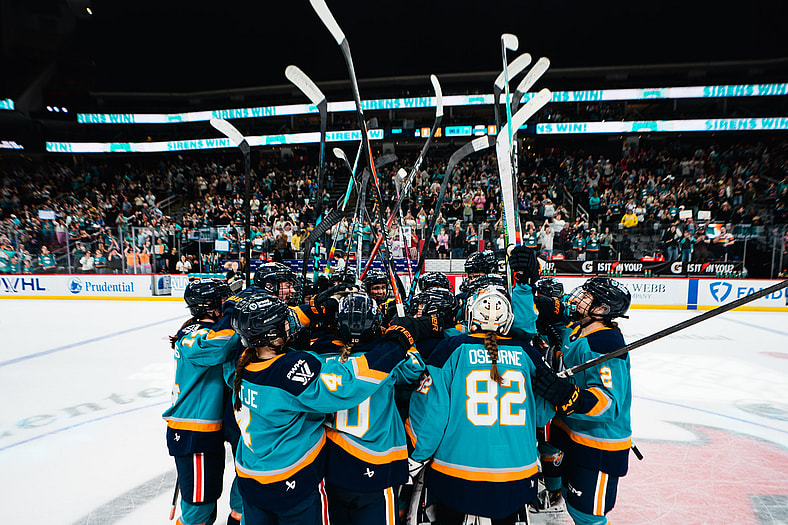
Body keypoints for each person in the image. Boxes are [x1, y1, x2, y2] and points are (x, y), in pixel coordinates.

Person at [229, 293, 434, 525]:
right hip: (292, 480)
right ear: (270, 335)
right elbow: (347, 382)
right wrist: (396, 344)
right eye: (283, 323)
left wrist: (312, 310)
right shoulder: (290, 369)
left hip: (251, 477)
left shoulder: (241, 362)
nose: (290, 325)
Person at [407, 284, 555, 523]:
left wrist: (417, 456)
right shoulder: (528, 354)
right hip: (517, 473)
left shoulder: (450, 349)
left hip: (456, 471)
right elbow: (542, 415)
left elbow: (432, 414)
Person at [529, 276, 633, 525]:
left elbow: (609, 402)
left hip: (598, 445)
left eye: (586, 297)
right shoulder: (578, 330)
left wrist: (569, 397)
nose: (577, 299)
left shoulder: (605, 343)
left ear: (601, 309)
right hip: (573, 435)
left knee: (587, 515)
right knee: (571, 499)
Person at [163, 278, 239, 525]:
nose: (227, 303)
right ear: (211, 304)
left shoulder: (207, 330)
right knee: (198, 510)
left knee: (206, 504)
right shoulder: (195, 334)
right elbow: (217, 347)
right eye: (223, 300)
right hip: (193, 433)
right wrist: (231, 313)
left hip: (205, 432)